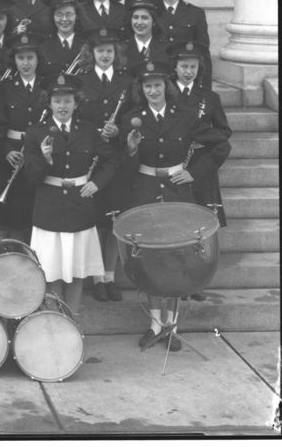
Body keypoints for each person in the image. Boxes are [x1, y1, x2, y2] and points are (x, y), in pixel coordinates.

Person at [120, 61, 230, 351]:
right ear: (141, 90)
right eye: (147, 86)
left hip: (176, 191)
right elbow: (121, 163)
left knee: (176, 258)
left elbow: (221, 145)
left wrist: (194, 172)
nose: (153, 90)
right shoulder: (133, 117)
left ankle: (172, 326)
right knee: (149, 259)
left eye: (157, 85)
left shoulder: (186, 116)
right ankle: (155, 324)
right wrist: (131, 149)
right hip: (144, 192)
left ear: (166, 87)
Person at [23, 74, 116, 321]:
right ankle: (56, 322)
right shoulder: (35, 133)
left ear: (76, 103)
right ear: (49, 104)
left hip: (79, 209)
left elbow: (111, 161)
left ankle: (72, 322)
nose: (62, 106)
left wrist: (96, 183)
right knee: (51, 272)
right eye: (57, 101)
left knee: (76, 272)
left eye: (67, 101)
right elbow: (31, 177)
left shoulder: (88, 132)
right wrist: (45, 159)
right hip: (49, 210)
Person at [77, 26, 133, 303]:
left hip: (116, 159)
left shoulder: (126, 82)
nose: (105, 56)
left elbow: (134, 116)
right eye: (100, 51)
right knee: (96, 222)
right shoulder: (83, 81)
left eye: (109, 51)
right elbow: (79, 119)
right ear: (92, 54)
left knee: (113, 221)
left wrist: (118, 132)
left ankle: (110, 276)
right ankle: (97, 277)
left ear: (115, 54)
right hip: (91, 158)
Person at [0, 31, 49, 243]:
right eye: (20, 58)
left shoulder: (47, 87)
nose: (26, 63)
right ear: (13, 60)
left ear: (38, 59)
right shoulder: (3, 88)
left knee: (36, 207)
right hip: (13, 154)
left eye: (30, 57)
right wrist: (6, 151)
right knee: (12, 213)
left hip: (40, 152)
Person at [171, 40, 233, 239]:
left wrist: (207, 140)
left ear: (199, 69)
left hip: (202, 163)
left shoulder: (210, 97)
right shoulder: (166, 93)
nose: (188, 71)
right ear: (175, 67)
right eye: (184, 66)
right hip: (174, 160)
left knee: (204, 216)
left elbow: (224, 131)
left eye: (193, 67)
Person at [151, 0, 211, 86]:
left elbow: (203, 53)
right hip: (158, 79)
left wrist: (205, 88)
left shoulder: (196, 13)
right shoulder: (151, 14)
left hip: (185, 79)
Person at [39, 0, 88, 84]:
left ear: (77, 15)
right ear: (52, 17)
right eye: (59, 15)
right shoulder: (42, 46)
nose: (64, 19)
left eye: (68, 14)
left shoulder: (87, 43)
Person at [122, 0, 170, 73]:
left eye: (144, 18)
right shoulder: (121, 49)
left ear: (154, 21)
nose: (139, 22)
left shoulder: (166, 49)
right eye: (135, 17)